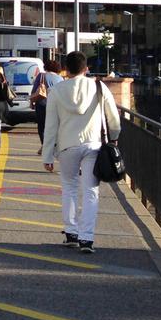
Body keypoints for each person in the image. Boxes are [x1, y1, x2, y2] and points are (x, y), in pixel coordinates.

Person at [41, 51, 120, 253]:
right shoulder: (98, 86)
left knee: (69, 187)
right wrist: (114, 135)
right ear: (86, 69)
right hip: (92, 144)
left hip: (67, 146)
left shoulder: (57, 91)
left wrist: (48, 155)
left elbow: (50, 126)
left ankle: (71, 233)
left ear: (66, 70)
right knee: (91, 190)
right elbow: (113, 116)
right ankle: (87, 238)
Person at [33, 58, 65, 143]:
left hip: (41, 103)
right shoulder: (60, 78)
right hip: (55, 104)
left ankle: (44, 144)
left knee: (42, 125)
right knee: (54, 125)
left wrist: (31, 102)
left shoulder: (41, 76)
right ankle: (54, 143)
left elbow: (34, 91)